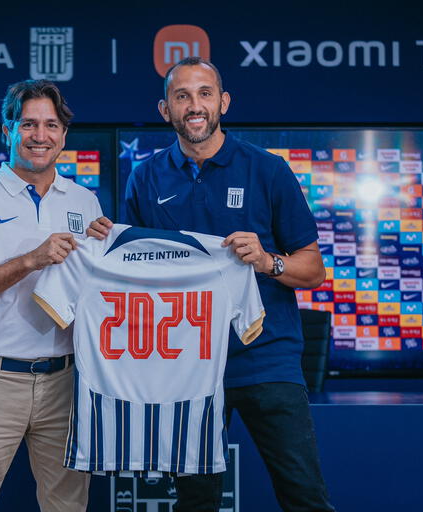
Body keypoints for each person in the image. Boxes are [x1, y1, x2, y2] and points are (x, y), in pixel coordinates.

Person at [88, 57, 335, 512]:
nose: (194, 105)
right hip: (187, 365)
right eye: (181, 96)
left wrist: (266, 261)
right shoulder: (145, 176)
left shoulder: (268, 170)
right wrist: (101, 250)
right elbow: (136, 278)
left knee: (304, 494)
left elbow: (314, 270)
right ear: (165, 110)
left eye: (204, 94)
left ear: (223, 102)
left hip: (267, 359)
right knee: (195, 502)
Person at [0, 79, 101, 512]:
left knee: (68, 506)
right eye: (28, 124)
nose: (40, 136)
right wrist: (30, 260)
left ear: (64, 135)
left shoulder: (86, 201)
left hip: (66, 383)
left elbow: (96, 294)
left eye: (51, 125)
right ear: (8, 129)